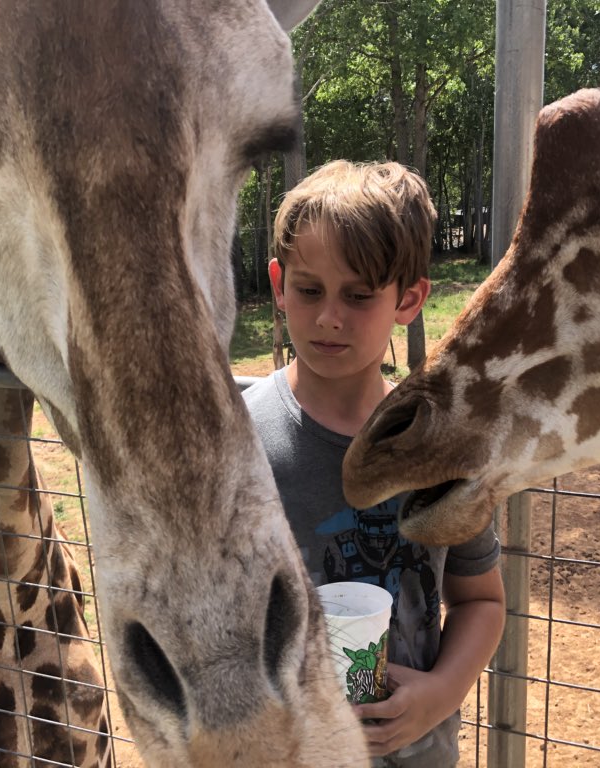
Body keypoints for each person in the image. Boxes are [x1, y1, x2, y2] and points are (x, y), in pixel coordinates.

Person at [243, 159, 505, 767]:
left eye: (359, 295)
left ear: (408, 299)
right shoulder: (239, 441)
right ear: (279, 284)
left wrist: (441, 693)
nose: (329, 317)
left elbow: (482, 602)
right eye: (309, 290)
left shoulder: (441, 446)